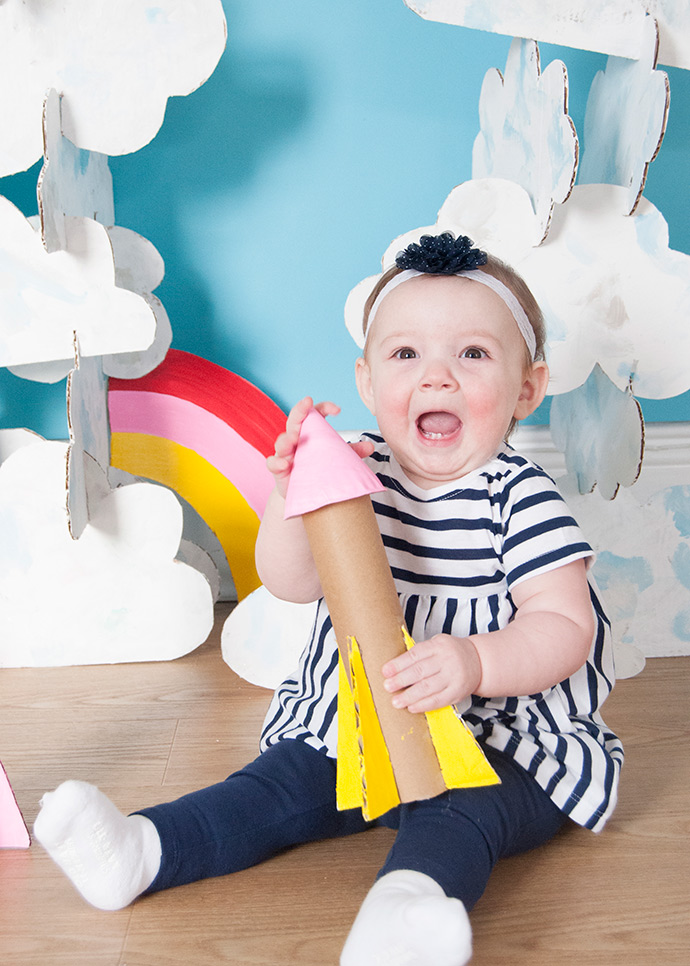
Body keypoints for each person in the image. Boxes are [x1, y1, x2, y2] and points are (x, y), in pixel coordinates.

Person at [35, 233, 623, 966]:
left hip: (499, 740)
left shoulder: (520, 497)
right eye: (406, 355)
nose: (436, 378)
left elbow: (564, 627)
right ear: (369, 381)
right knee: (275, 788)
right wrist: (290, 495)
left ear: (526, 389)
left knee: (462, 811)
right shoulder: (356, 467)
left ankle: (404, 912)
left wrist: (475, 661)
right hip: (358, 724)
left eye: (471, 355)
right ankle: (145, 849)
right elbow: (291, 580)